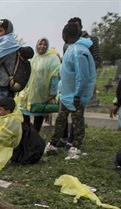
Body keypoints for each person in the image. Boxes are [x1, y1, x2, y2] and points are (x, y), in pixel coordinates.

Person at [44, 23, 96, 159]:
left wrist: (77, 94)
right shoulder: (71, 48)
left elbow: (82, 76)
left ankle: (76, 147)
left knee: (77, 122)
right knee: (61, 119)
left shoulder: (79, 52)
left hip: (75, 95)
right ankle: (53, 144)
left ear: (66, 35)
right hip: (66, 94)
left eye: (63, 34)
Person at [15, 38, 61, 132]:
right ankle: (27, 135)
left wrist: (53, 92)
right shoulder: (34, 58)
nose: (42, 46)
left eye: (44, 44)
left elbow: (55, 76)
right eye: (40, 44)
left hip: (42, 94)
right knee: (24, 114)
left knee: (38, 114)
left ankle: (35, 136)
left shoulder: (52, 59)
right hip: (28, 93)